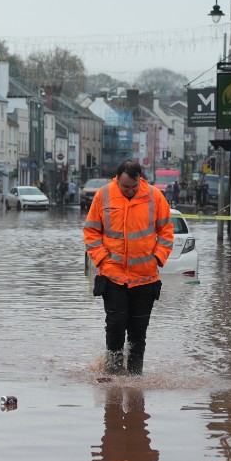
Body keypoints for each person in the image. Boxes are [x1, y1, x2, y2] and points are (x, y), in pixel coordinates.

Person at [83, 158, 173, 374]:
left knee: (138, 332)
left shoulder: (154, 196)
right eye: (125, 187)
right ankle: (113, 374)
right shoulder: (103, 195)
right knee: (115, 326)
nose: (130, 191)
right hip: (113, 275)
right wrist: (102, 259)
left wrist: (157, 258)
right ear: (118, 180)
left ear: (139, 179)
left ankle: (134, 377)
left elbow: (166, 232)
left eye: (134, 186)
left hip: (145, 278)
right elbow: (91, 231)